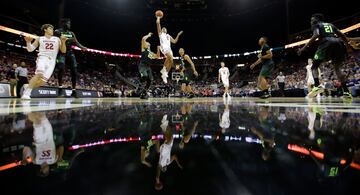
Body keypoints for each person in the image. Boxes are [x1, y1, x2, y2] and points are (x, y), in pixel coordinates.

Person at [298, 13, 353, 99]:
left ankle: (317, 86)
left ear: (317, 19)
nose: (311, 21)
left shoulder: (316, 25)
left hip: (326, 43)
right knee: (337, 68)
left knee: (314, 66)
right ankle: (346, 91)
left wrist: (303, 48)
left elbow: (316, 35)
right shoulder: (331, 25)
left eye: (312, 19)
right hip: (337, 43)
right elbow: (341, 35)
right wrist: (348, 46)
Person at [21, 24, 67, 99]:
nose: (52, 30)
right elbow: (30, 49)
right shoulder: (40, 38)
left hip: (52, 62)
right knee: (39, 74)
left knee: (42, 82)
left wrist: (63, 41)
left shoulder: (57, 39)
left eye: (52, 28)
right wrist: (28, 42)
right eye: (50, 28)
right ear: (45, 30)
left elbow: (63, 51)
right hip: (42, 58)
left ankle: (27, 86)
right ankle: (26, 94)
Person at [55, 18, 87, 97]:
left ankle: (74, 91)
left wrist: (83, 47)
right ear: (63, 23)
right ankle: (60, 89)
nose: (69, 25)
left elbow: (76, 42)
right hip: (61, 52)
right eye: (68, 23)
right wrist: (68, 39)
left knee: (74, 71)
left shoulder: (71, 33)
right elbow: (55, 41)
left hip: (70, 53)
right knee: (61, 68)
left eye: (70, 23)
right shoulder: (57, 32)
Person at [156, 16, 183, 84]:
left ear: (166, 30)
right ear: (162, 30)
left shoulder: (168, 35)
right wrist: (158, 18)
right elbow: (158, 24)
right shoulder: (160, 34)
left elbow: (174, 41)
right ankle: (163, 71)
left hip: (169, 49)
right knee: (170, 57)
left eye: (165, 28)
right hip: (163, 48)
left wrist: (178, 35)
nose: (164, 29)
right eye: (163, 28)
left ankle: (164, 74)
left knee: (171, 62)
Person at [139, 32, 160, 99]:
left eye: (147, 43)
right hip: (142, 65)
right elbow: (143, 39)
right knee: (145, 76)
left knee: (150, 81)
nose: (147, 43)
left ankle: (143, 93)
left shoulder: (151, 53)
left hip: (148, 67)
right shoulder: (143, 49)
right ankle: (140, 79)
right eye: (146, 43)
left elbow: (157, 56)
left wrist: (158, 49)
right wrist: (148, 35)